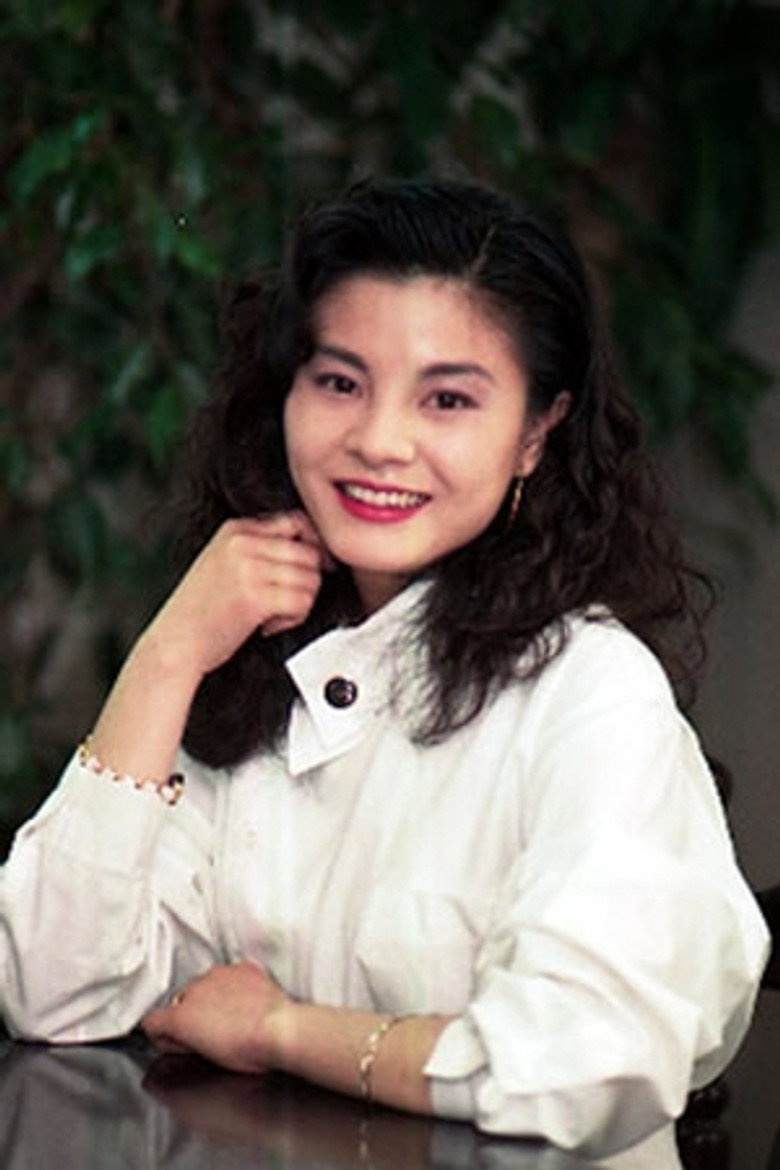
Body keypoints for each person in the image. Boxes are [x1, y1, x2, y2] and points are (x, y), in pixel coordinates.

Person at [0, 178, 768, 1159]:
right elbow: (55, 991)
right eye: (339, 382)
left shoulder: (593, 691)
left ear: (536, 433)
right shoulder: (253, 664)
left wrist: (277, 1030)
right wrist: (168, 652)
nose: (378, 441)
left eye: (447, 399)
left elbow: (576, 1064)